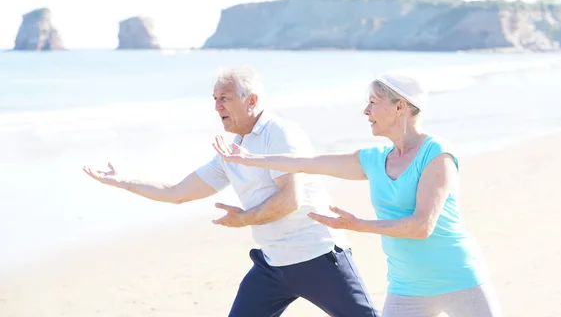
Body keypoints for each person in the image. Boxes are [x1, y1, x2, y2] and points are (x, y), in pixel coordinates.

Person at [82, 66, 379, 317]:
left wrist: (243, 219)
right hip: (273, 265)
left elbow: (290, 200)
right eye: (214, 99)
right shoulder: (231, 149)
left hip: (317, 256)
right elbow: (177, 192)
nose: (217, 107)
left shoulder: (279, 133)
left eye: (224, 98)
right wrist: (122, 181)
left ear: (251, 100)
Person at [212, 70, 504, 317]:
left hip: (457, 278)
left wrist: (358, 225)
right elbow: (306, 163)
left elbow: (421, 226)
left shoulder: (436, 155)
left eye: (374, 103)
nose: (366, 111)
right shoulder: (375, 159)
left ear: (400, 107)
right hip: (406, 287)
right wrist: (250, 159)